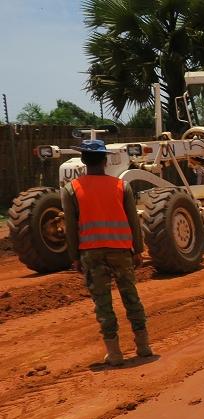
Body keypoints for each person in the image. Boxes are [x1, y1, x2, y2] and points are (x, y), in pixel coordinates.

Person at [61, 140, 152, 366]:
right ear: (105, 161)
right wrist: (138, 250)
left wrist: (74, 257)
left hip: (91, 253)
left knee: (103, 303)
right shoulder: (122, 186)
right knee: (131, 297)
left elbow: (70, 227)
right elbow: (134, 221)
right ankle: (143, 346)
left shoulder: (71, 189)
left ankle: (115, 353)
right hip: (121, 250)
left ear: (83, 161)